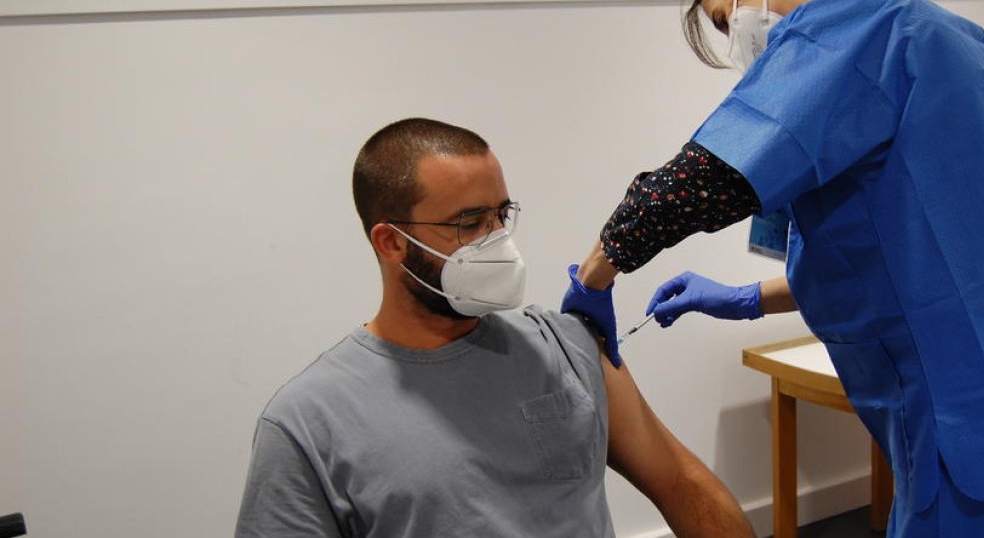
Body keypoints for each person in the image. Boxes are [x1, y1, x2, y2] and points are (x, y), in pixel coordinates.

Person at [561, 0, 984, 538]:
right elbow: (904, 252)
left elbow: (694, 184)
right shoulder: (943, 33)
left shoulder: (842, 39)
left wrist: (593, 281)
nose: (738, 44)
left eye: (725, 19)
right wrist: (746, 296)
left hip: (971, 406)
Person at [235, 118, 754, 538]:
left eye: (501, 216)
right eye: (469, 222)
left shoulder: (565, 345)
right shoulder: (308, 423)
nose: (497, 241)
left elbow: (683, 484)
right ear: (391, 243)